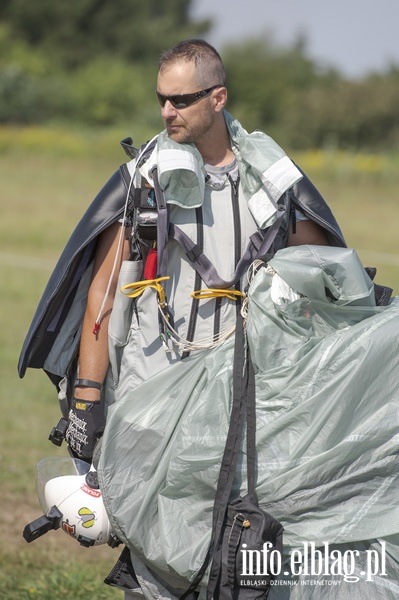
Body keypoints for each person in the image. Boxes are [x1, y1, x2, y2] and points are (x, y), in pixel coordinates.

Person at [19, 39, 346, 597]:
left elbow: (324, 273)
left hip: (240, 391)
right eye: (161, 100)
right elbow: (103, 295)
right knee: (152, 538)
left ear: (218, 98)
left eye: (181, 100)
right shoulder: (143, 180)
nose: (167, 111)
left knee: (233, 533)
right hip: (154, 388)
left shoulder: (269, 184)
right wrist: (86, 401)